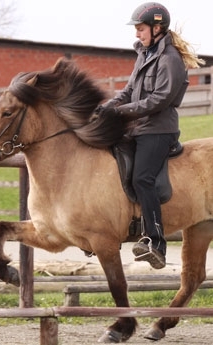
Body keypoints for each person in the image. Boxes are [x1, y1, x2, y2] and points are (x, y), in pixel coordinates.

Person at [97, 2, 204, 269]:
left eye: (141, 28)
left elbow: (159, 100)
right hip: (138, 127)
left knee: (143, 178)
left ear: (157, 28)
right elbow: (128, 90)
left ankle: (156, 242)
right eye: (137, 29)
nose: (137, 34)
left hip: (159, 130)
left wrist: (123, 112)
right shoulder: (144, 54)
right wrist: (106, 108)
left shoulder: (170, 59)